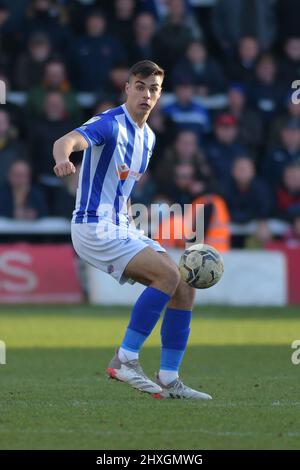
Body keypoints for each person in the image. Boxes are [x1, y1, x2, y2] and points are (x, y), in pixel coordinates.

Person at [53, 60, 212, 400]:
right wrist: (63, 159)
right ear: (127, 88)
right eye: (139, 86)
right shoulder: (109, 124)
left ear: (160, 94)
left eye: (153, 88)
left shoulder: (149, 138)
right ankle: (125, 358)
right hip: (93, 225)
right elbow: (67, 140)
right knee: (167, 277)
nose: (146, 94)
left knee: (183, 283)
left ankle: (169, 377)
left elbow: (122, 188)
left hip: (120, 224)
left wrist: (132, 224)